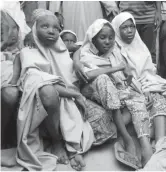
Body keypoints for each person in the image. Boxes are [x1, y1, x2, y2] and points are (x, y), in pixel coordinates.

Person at [1, 9, 94, 171]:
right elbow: (39, 81)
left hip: (65, 96)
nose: (51, 31)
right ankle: (57, 142)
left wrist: (77, 61)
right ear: (35, 29)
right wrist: (75, 94)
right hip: (37, 100)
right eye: (45, 26)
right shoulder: (28, 53)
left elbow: (80, 46)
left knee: (60, 98)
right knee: (48, 91)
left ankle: (69, 146)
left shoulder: (62, 50)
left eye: (56, 28)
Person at [79, 19, 153, 167]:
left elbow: (128, 75)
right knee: (103, 79)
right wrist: (116, 68)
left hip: (116, 95)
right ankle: (126, 138)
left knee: (136, 98)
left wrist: (138, 88)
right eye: (102, 37)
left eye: (111, 37)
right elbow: (89, 75)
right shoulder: (85, 54)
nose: (107, 41)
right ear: (93, 38)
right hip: (96, 96)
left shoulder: (116, 52)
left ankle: (146, 147)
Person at [111, 12, 166, 148]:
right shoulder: (113, 50)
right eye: (124, 27)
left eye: (132, 27)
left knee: (160, 97)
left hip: (145, 84)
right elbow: (121, 80)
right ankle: (149, 142)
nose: (129, 31)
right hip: (127, 89)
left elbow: (148, 72)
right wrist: (142, 90)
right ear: (116, 29)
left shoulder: (139, 45)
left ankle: (159, 143)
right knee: (142, 103)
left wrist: (147, 88)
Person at [60, 29, 117, 147]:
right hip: (63, 95)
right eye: (66, 40)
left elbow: (79, 48)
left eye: (72, 41)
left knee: (102, 116)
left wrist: (76, 59)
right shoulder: (56, 55)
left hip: (78, 93)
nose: (69, 43)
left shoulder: (81, 56)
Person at [1, 10, 25, 149]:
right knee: (10, 94)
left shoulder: (24, 50)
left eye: (15, 28)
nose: (12, 33)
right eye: (6, 29)